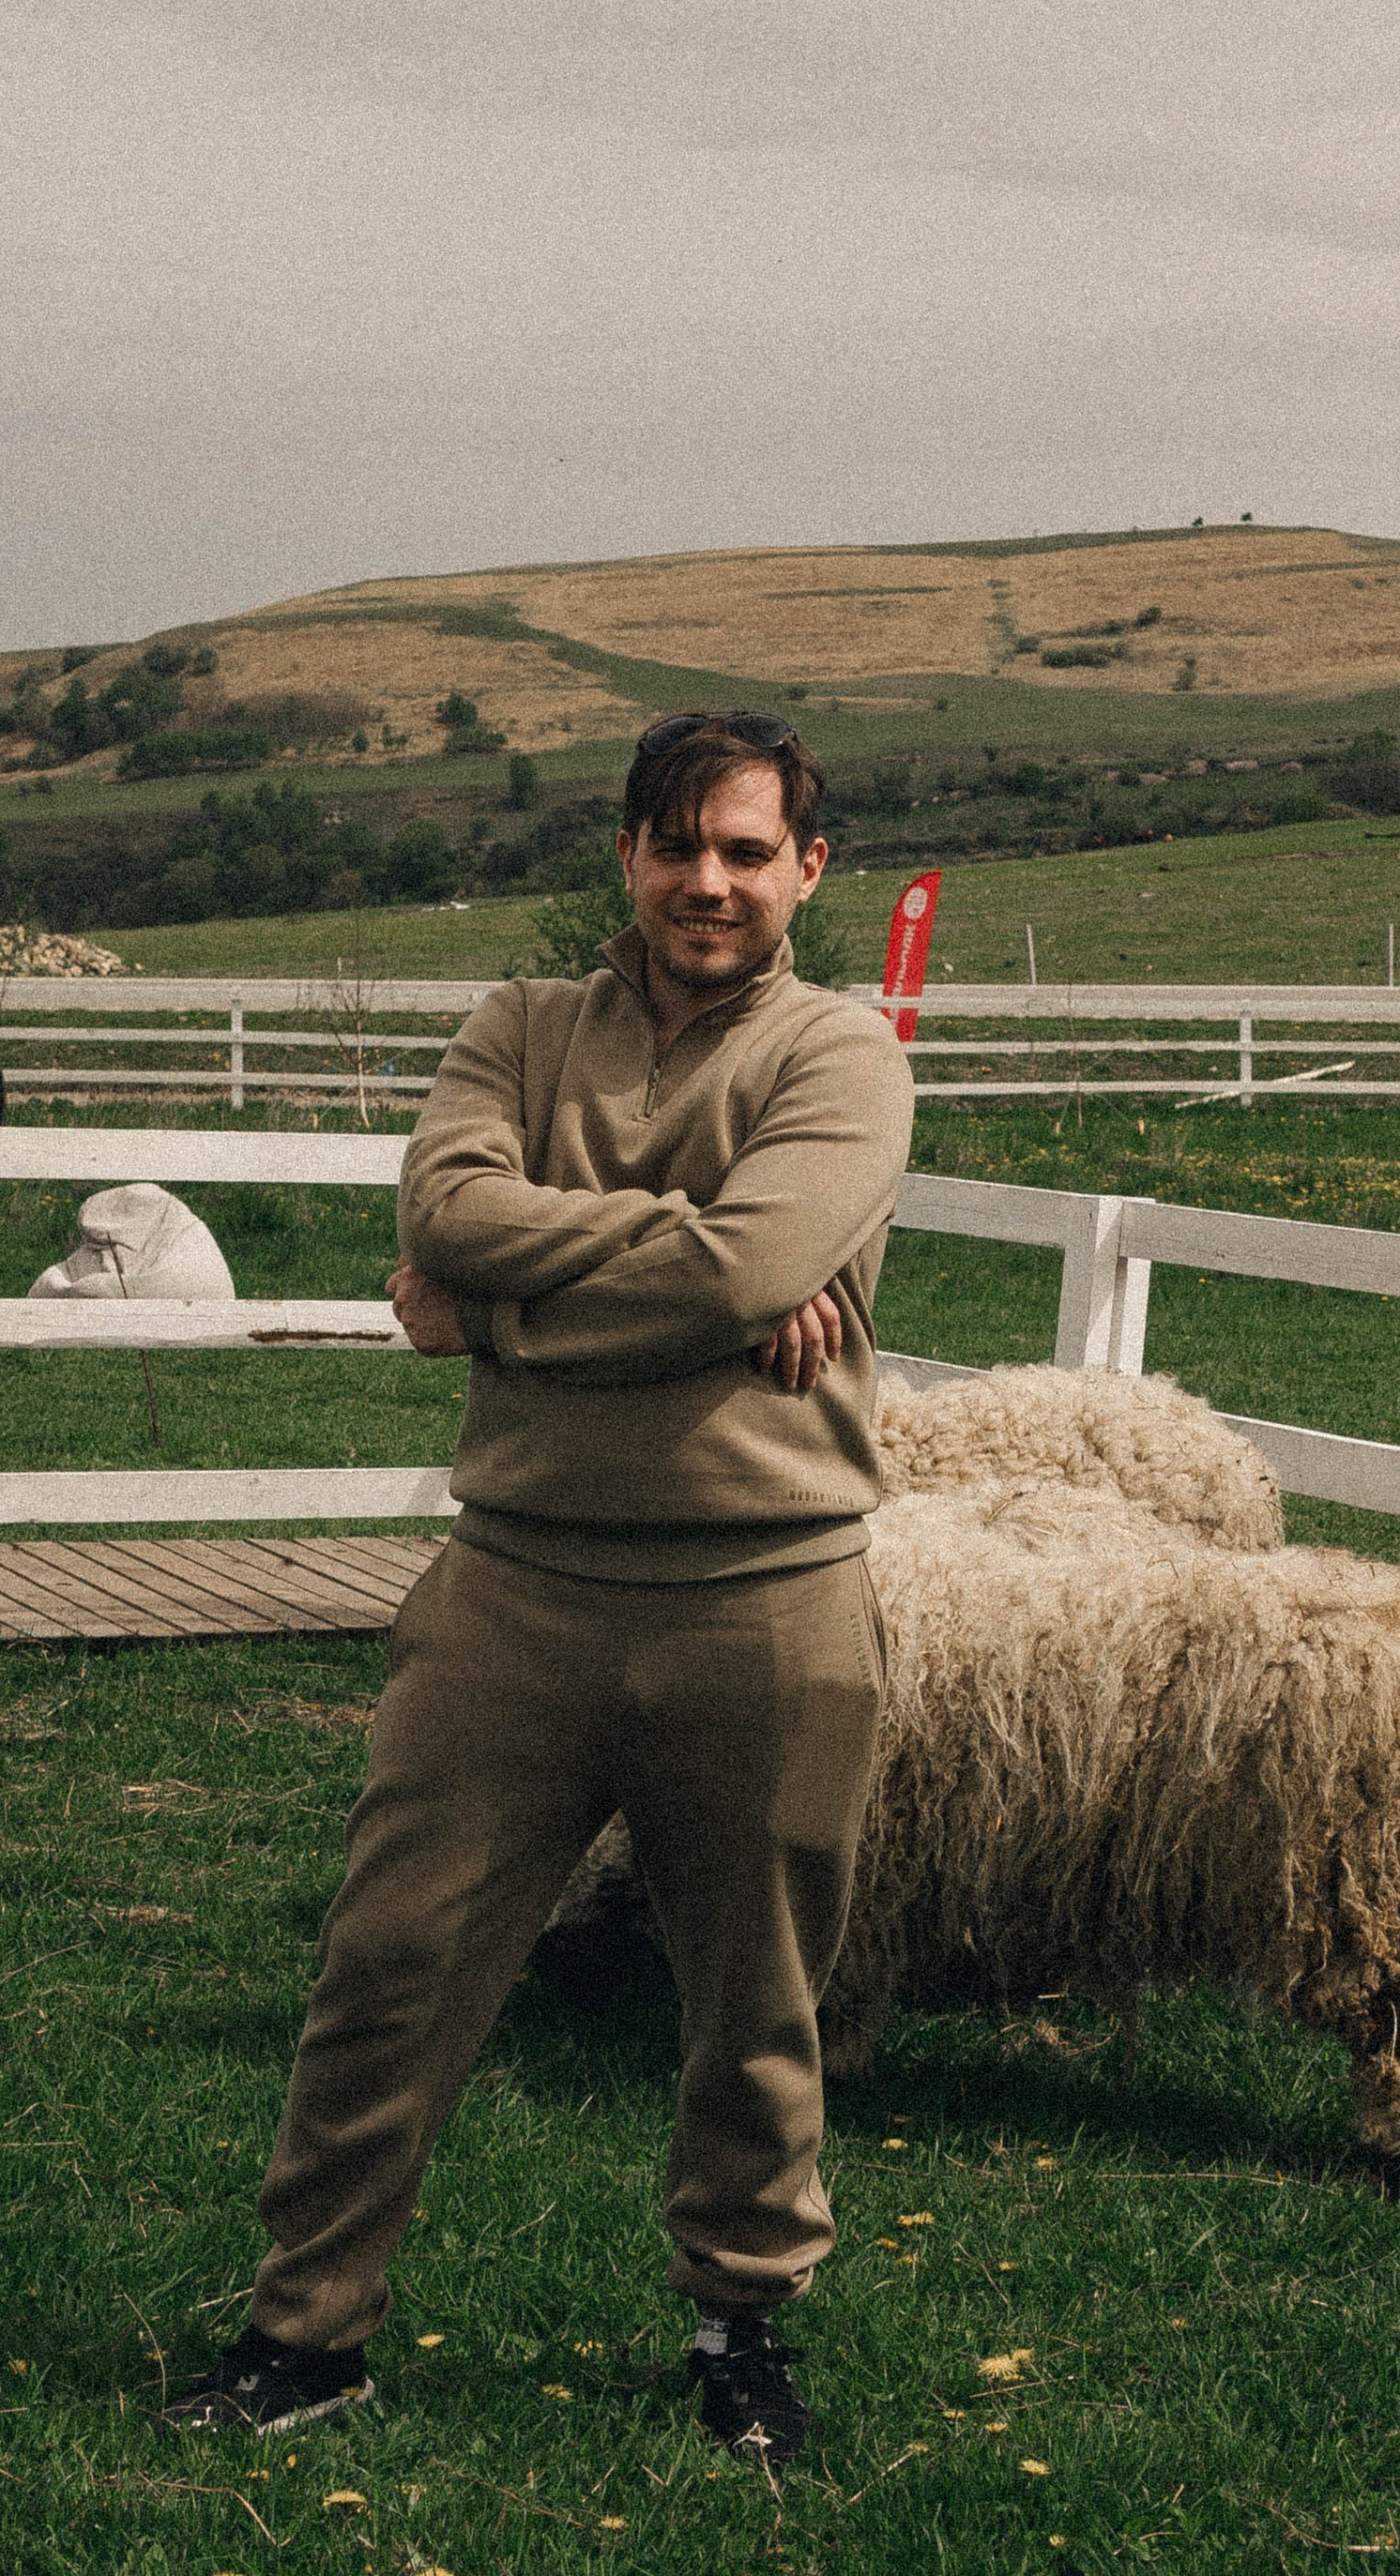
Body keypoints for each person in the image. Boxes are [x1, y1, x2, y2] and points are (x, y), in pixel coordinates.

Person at [162, 713, 913, 2462]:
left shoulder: (844, 1054)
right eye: (673, 844)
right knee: (391, 1964)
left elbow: (753, 1253)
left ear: (810, 866)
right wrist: (695, 1271)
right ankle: (306, 2337)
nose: (704, 882)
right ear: (627, 854)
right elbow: (458, 1204)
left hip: (767, 1601)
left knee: (755, 1998)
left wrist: (498, 1306)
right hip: (514, 1594)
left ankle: (743, 2330)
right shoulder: (516, 1027)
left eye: (744, 851)